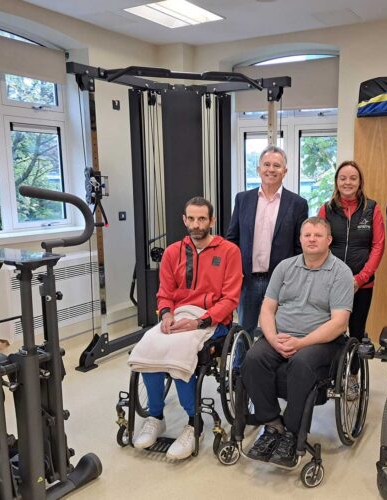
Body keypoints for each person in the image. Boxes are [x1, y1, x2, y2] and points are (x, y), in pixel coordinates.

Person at [131, 197, 242, 460]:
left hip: (211, 320)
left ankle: (194, 423)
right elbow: (164, 292)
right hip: (177, 315)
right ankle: (155, 417)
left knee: (180, 350)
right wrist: (166, 314)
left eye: (202, 218)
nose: (196, 224)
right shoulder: (172, 252)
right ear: (184, 220)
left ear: (212, 221)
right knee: (149, 345)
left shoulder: (229, 251)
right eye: (191, 219)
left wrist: (200, 321)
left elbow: (230, 299)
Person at [241, 217, 354, 468]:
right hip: (281, 335)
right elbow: (268, 309)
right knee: (253, 358)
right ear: (300, 239)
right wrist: (271, 338)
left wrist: (301, 343)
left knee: (301, 364)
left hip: (321, 341)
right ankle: (272, 424)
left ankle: (292, 433)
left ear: (329, 240)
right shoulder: (285, 267)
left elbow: (339, 323)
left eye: (317, 235)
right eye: (307, 235)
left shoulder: (340, 272)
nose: (312, 239)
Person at [317, 160, 384, 397]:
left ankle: (353, 377)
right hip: (330, 282)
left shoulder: (372, 208)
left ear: (360, 182)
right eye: (343, 178)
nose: (347, 182)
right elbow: (319, 242)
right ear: (337, 182)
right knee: (328, 329)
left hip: (362, 284)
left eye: (352, 178)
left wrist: (361, 278)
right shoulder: (326, 209)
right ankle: (327, 373)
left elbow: (378, 246)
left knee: (355, 331)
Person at [226, 145, 309, 336]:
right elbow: (232, 240)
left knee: (278, 330)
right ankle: (240, 366)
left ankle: (273, 366)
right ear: (258, 169)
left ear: (285, 171)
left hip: (281, 281)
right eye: (267, 164)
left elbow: (300, 247)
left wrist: (294, 279)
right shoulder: (243, 199)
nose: (271, 169)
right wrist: (234, 273)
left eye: (277, 165)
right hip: (248, 280)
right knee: (243, 332)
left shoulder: (297, 204)